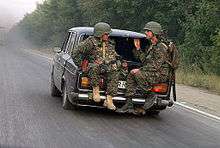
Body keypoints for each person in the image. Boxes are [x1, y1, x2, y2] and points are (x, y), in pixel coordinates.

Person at [117, 21, 170, 114]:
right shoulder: (152, 45)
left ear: (154, 32)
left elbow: (155, 66)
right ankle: (128, 104)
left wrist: (140, 70)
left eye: (148, 31)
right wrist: (137, 48)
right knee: (131, 74)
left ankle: (150, 93)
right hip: (152, 71)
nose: (145, 33)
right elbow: (145, 60)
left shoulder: (161, 47)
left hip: (160, 74)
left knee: (136, 73)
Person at [73, 22, 121, 110]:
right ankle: (96, 91)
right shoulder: (90, 42)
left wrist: (119, 62)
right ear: (100, 33)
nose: (107, 36)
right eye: (106, 34)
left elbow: (114, 55)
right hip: (93, 66)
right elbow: (76, 52)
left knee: (115, 72)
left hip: (107, 66)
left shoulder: (110, 43)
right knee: (95, 67)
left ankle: (109, 100)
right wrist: (80, 65)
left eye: (108, 34)